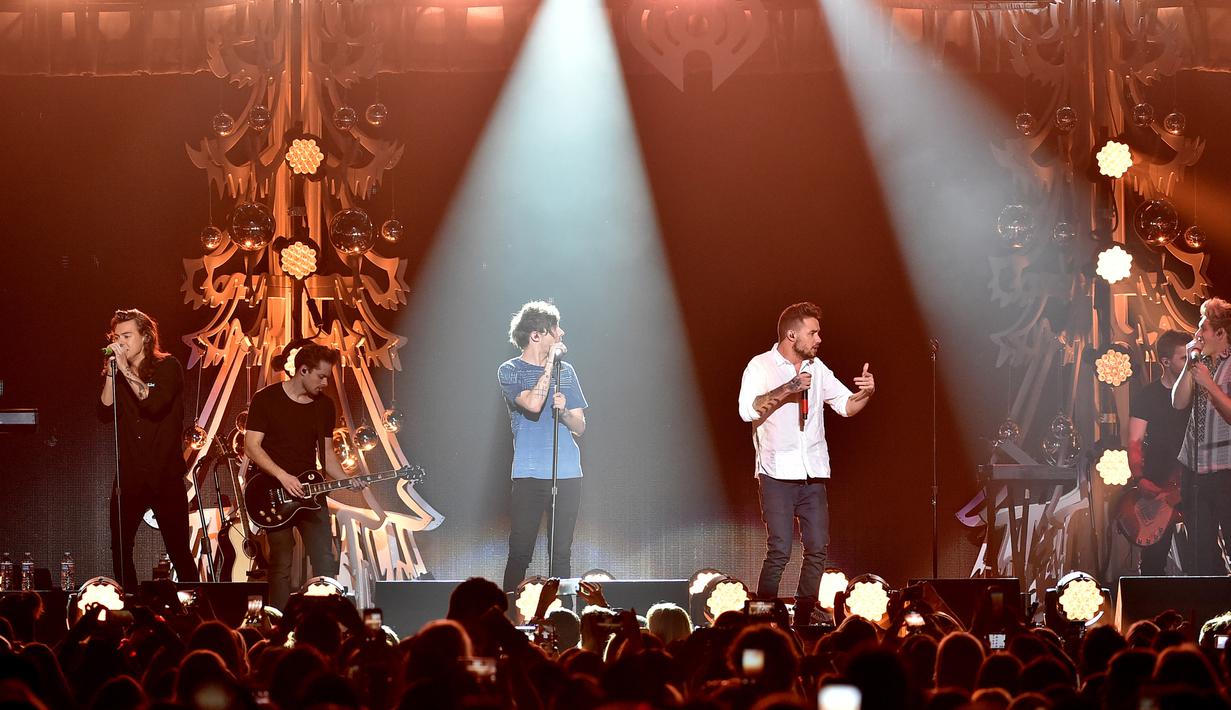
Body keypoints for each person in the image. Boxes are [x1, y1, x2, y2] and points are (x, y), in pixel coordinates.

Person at [738, 302, 875, 626]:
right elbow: (747, 410)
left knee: (817, 549)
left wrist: (867, 393)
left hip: (813, 475)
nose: (819, 339)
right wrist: (789, 387)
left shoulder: (817, 367)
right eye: (812, 333)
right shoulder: (760, 366)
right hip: (776, 475)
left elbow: (845, 405)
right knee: (780, 550)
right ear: (791, 335)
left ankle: (802, 618)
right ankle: (763, 620)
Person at [244, 340, 361, 608]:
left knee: (324, 560)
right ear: (303, 370)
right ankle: (278, 624)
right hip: (273, 493)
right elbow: (251, 447)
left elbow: (327, 455)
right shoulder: (266, 399)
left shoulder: (325, 406)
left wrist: (347, 479)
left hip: (311, 492)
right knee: (281, 562)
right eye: (321, 376)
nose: (325, 383)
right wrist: (283, 476)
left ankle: (324, 621)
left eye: (328, 377)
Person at [100, 308, 200, 589]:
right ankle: (131, 605)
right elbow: (104, 411)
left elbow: (153, 404)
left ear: (145, 337)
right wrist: (111, 373)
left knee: (178, 549)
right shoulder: (118, 372)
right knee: (120, 549)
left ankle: (195, 605)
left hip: (164, 474)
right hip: (130, 475)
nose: (120, 342)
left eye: (127, 336)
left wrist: (125, 370)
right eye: (116, 337)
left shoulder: (168, 367)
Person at [498, 301, 588, 592]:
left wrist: (565, 412)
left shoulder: (567, 372)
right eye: (555, 328)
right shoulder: (510, 370)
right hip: (529, 474)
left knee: (560, 554)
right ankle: (510, 613)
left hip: (567, 473)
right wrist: (550, 363)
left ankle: (560, 615)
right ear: (536, 335)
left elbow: (580, 426)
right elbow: (533, 404)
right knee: (520, 552)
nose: (561, 333)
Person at [1172, 297, 1231, 575]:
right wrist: (1188, 366)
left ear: (1220, 333)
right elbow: (1178, 402)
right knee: (1199, 550)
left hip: (1226, 470)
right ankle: (1208, 597)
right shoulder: (1200, 363)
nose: (1196, 334)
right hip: (1195, 469)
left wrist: (1208, 383)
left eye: (1203, 328)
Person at [1126, 330, 1190, 575]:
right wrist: (1140, 478)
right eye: (1183, 358)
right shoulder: (1147, 396)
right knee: (1154, 561)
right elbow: (1134, 441)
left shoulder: (1199, 394)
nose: (1190, 363)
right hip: (1158, 483)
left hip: (1192, 482)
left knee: (1201, 556)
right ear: (1165, 361)